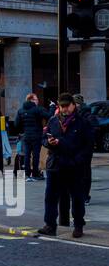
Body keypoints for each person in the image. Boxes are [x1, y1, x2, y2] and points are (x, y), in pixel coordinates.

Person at [37, 93, 92, 239]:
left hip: (73, 166)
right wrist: (49, 142)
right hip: (55, 165)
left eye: (67, 106)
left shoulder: (82, 123)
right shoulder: (53, 120)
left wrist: (77, 160)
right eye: (62, 106)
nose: (64, 109)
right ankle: (50, 225)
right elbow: (44, 138)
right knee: (50, 197)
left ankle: (78, 225)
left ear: (73, 105)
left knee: (77, 197)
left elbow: (87, 146)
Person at [17, 92, 49, 182]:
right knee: (36, 155)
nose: (37, 101)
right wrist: (53, 108)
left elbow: (16, 124)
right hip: (36, 135)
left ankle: (27, 174)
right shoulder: (37, 110)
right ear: (31, 100)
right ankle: (35, 174)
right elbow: (49, 116)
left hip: (26, 136)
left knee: (27, 155)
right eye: (36, 99)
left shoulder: (21, 110)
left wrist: (23, 130)